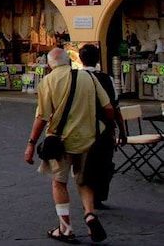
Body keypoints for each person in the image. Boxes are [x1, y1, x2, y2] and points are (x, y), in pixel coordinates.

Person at [24, 47, 115, 244]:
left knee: (59, 181)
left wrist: (31, 143)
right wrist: (108, 129)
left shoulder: (48, 81)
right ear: (69, 61)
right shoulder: (89, 78)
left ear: (50, 64)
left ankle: (65, 229)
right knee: (85, 180)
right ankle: (90, 214)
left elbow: (42, 117)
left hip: (60, 141)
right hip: (88, 139)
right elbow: (108, 108)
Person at [77, 44, 126, 210]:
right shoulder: (107, 79)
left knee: (84, 166)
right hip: (104, 129)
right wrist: (122, 130)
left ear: (80, 59)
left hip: (81, 128)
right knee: (104, 164)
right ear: (98, 59)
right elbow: (115, 107)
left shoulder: (75, 78)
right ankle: (97, 197)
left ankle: (87, 199)